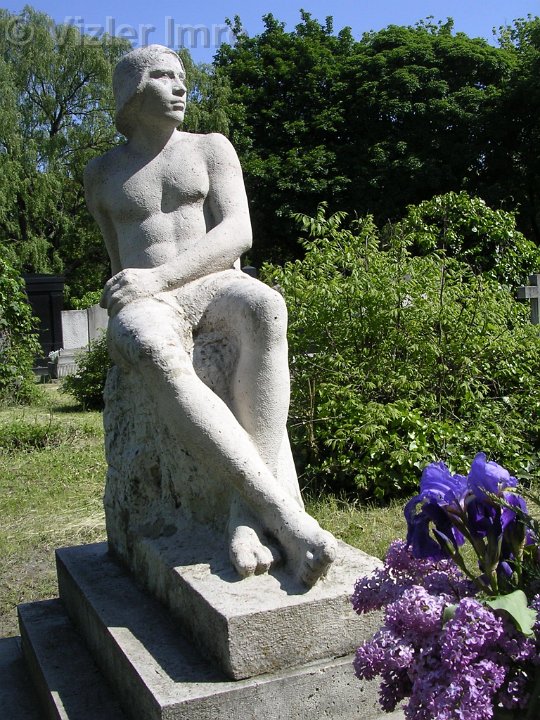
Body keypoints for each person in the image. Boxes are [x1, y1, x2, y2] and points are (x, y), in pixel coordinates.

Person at [84, 45, 336, 587]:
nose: (180, 86)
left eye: (182, 76)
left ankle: (247, 515)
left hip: (210, 281)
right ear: (131, 91)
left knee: (266, 305)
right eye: (163, 76)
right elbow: (118, 259)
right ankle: (285, 517)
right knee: (151, 346)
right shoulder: (101, 173)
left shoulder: (210, 148)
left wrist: (159, 277)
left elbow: (238, 232)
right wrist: (142, 291)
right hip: (146, 302)